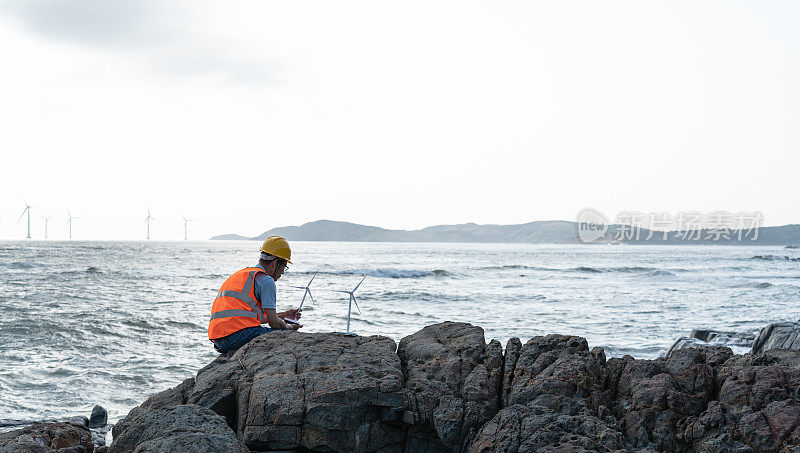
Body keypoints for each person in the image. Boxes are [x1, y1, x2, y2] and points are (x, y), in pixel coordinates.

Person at [208, 236, 302, 353]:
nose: (283, 271)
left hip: (219, 340)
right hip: (237, 336)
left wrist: (284, 315)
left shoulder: (242, 274)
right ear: (275, 263)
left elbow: (248, 319)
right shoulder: (267, 280)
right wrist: (289, 329)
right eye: (284, 266)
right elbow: (273, 323)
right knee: (289, 337)